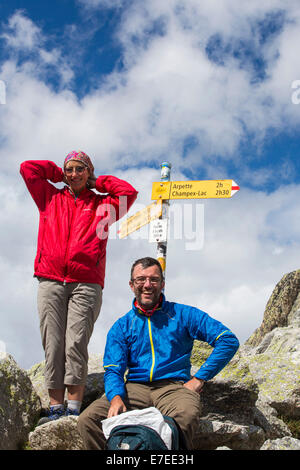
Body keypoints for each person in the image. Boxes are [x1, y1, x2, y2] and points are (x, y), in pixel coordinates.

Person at [20, 151, 138, 423]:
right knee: (53, 342)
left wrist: (100, 182)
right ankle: (55, 408)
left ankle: (73, 409)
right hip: (50, 279)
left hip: (86, 282)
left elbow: (128, 193)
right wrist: (54, 173)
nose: (74, 174)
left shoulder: (103, 206)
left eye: (80, 169)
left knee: (76, 343)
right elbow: (28, 168)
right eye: (69, 169)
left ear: (89, 171)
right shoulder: (49, 198)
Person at [77, 256, 239, 450]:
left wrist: (199, 379)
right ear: (131, 285)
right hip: (134, 389)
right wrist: (116, 398)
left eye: (154, 280)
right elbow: (113, 369)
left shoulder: (183, 314)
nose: (147, 285)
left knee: (185, 416)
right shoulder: (121, 326)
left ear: (162, 284)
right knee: (88, 420)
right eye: (141, 279)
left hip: (174, 387)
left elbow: (227, 340)